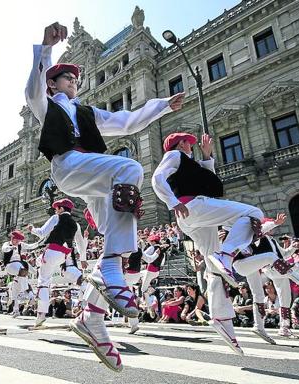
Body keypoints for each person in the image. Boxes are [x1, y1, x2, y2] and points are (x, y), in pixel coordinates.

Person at [26, 22, 185, 372]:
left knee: (113, 234)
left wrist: (162, 106)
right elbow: (33, 86)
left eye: (76, 81)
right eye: (69, 79)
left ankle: (92, 319)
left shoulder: (88, 112)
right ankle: (111, 267)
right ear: (53, 83)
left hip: (94, 181)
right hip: (68, 165)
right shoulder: (45, 104)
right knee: (130, 167)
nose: (75, 84)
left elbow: (126, 121)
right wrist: (46, 48)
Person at [152, 131, 259, 354]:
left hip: (195, 215)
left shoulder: (190, 163)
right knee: (254, 213)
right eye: (189, 143)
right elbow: (156, 179)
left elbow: (207, 184)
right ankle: (227, 253)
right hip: (193, 208)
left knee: (214, 270)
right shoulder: (174, 156)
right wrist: (172, 202)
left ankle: (223, 320)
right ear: (181, 144)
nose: (192, 146)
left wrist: (208, 157)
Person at [28, 198, 87, 327]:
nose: (55, 210)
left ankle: (41, 315)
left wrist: (32, 229)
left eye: (57, 208)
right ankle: (85, 287)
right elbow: (81, 243)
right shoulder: (75, 224)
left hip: (52, 251)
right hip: (65, 254)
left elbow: (42, 232)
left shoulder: (56, 218)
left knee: (43, 281)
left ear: (61, 209)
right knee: (69, 271)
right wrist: (83, 259)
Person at [2, 230, 39, 317]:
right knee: (23, 271)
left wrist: (40, 242)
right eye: (16, 240)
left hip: (19, 264)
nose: (18, 242)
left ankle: (16, 311)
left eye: (19, 240)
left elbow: (30, 246)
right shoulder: (7, 244)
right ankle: (30, 296)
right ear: (12, 238)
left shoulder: (20, 245)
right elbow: (4, 249)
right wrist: (11, 248)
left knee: (15, 289)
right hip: (10, 265)